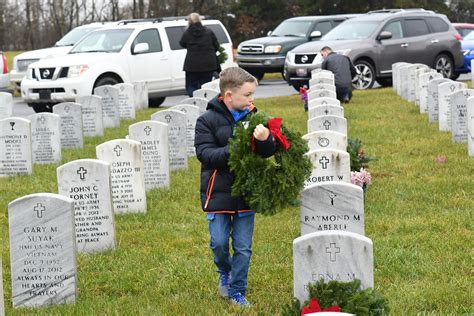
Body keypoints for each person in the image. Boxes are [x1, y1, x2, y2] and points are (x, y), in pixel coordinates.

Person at [194, 67, 276, 306]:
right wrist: (237, 147)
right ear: (228, 95)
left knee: (242, 247)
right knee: (219, 243)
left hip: (246, 192)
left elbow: (266, 153)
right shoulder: (206, 121)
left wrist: (265, 141)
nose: (252, 100)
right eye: (247, 95)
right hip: (217, 192)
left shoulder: (254, 118)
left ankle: (238, 291)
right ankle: (224, 272)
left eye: (253, 95)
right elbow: (205, 154)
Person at [180, 13, 220, 97]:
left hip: (192, 65)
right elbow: (216, 46)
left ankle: (194, 100)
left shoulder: (187, 33)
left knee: (191, 86)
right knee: (205, 86)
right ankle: (204, 102)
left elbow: (182, 43)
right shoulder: (208, 31)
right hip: (208, 64)